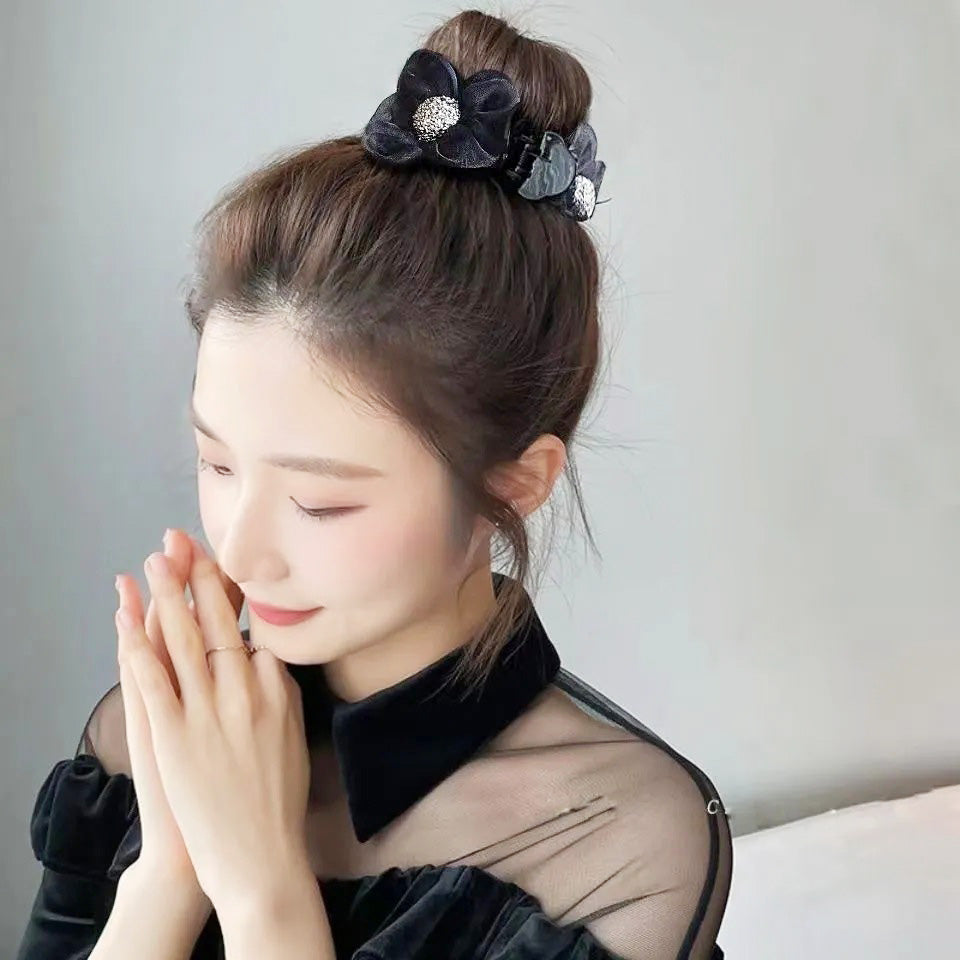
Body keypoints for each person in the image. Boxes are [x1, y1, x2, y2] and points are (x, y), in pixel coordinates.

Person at [15, 10, 732, 959]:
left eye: (319, 501)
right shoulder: (154, 731)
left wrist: (265, 890)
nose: (240, 550)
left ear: (514, 484)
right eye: (218, 463)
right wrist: (170, 872)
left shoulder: (621, 843)